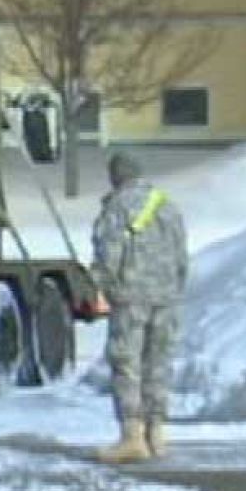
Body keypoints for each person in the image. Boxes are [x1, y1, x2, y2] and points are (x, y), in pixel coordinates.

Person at [91, 151, 188, 463]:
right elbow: (182, 256)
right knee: (158, 363)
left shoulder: (118, 206)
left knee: (127, 363)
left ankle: (132, 436)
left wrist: (100, 286)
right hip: (166, 296)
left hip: (131, 297)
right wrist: (173, 288)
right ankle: (157, 434)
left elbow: (110, 252)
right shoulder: (167, 205)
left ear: (116, 176)